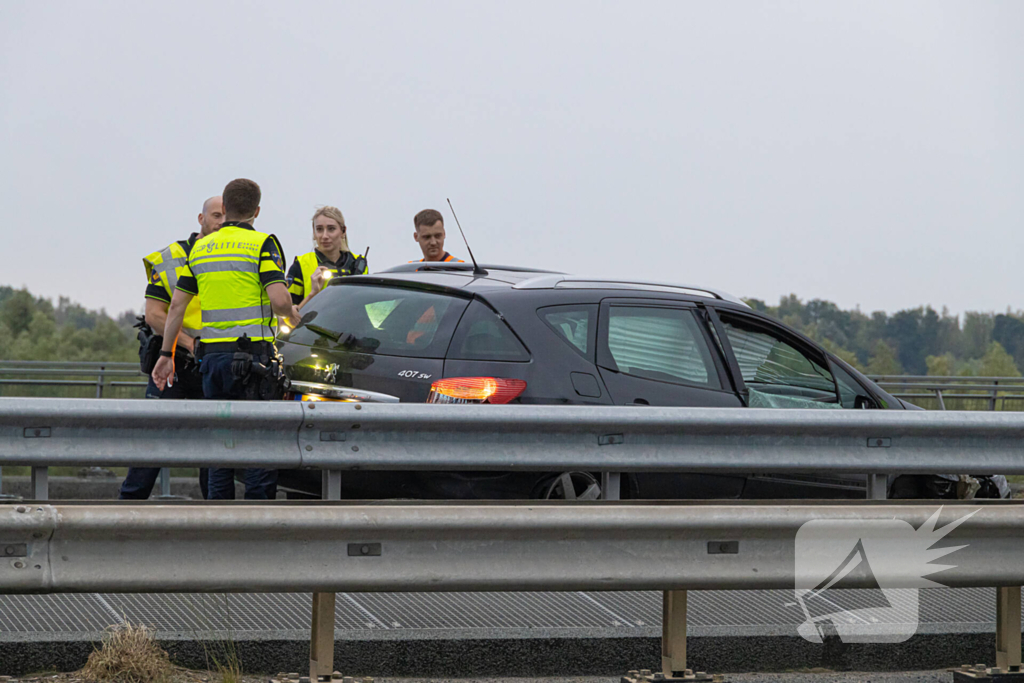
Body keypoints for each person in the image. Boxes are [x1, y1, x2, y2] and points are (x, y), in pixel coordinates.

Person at [152, 178, 299, 500]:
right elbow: (279, 301)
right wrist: (291, 313)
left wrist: (166, 354)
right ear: (256, 211)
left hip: (212, 360)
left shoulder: (201, 248)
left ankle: (221, 519)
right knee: (259, 445)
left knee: (221, 447)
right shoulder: (262, 244)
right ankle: (257, 523)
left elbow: (177, 305)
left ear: (226, 208)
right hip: (253, 359)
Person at [119, 196, 224, 500]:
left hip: (214, 363)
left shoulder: (232, 254)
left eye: (225, 216)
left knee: (213, 451)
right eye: (215, 215)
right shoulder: (172, 257)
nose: (220, 222)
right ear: (201, 219)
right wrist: (190, 344)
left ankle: (216, 519)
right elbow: (154, 314)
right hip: (175, 361)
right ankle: (127, 508)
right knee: (152, 441)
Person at [286, 206, 368, 308]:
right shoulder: (301, 265)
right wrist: (313, 293)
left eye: (331, 229)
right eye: (319, 229)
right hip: (311, 324)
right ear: (314, 233)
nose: (325, 236)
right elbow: (287, 320)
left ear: (343, 231)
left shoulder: (358, 264)